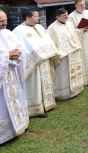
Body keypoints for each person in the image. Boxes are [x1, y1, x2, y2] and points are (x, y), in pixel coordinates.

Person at [12, 9, 59, 117]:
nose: (39, 18)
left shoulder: (39, 27)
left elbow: (47, 40)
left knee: (45, 82)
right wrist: (38, 55)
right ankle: (36, 108)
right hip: (33, 64)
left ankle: (47, 103)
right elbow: (22, 49)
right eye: (36, 16)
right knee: (35, 85)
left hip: (44, 60)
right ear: (28, 18)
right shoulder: (18, 31)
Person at [0, 10, 29, 144]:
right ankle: (4, 134)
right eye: (1, 21)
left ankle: (19, 125)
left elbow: (19, 45)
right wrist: (7, 56)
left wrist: (19, 52)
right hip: (2, 78)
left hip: (12, 72)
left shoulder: (7, 32)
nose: (4, 23)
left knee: (16, 99)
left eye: (5, 20)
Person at [47, 8, 85, 100]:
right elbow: (50, 42)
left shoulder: (69, 23)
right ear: (57, 17)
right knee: (64, 74)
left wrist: (81, 30)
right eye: (64, 15)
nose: (67, 16)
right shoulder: (52, 28)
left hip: (73, 51)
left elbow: (73, 34)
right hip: (63, 55)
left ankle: (77, 89)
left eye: (67, 14)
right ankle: (64, 92)